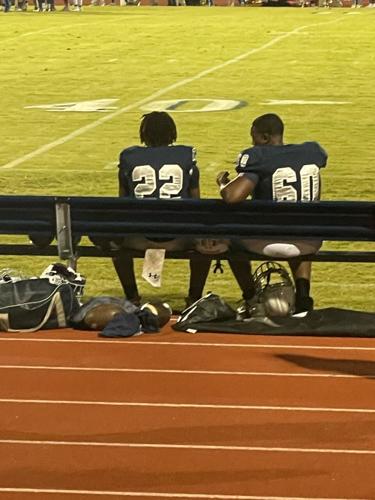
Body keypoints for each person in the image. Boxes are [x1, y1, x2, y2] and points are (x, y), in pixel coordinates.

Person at [216, 113, 328, 314]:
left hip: (269, 239)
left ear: (265, 137)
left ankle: (250, 297)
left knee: (228, 239)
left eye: (255, 136)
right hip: (309, 241)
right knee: (300, 225)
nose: (252, 142)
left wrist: (223, 183)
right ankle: (303, 297)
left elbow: (232, 197)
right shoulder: (311, 151)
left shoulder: (260, 157)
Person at [112, 111, 212, 307]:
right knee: (205, 243)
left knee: (115, 244)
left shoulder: (129, 157)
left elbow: (122, 202)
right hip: (179, 238)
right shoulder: (185, 156)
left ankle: (132, 296)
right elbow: (196, 204)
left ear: (144, 134)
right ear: (172, 133)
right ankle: (194, 297)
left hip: (140, 238)